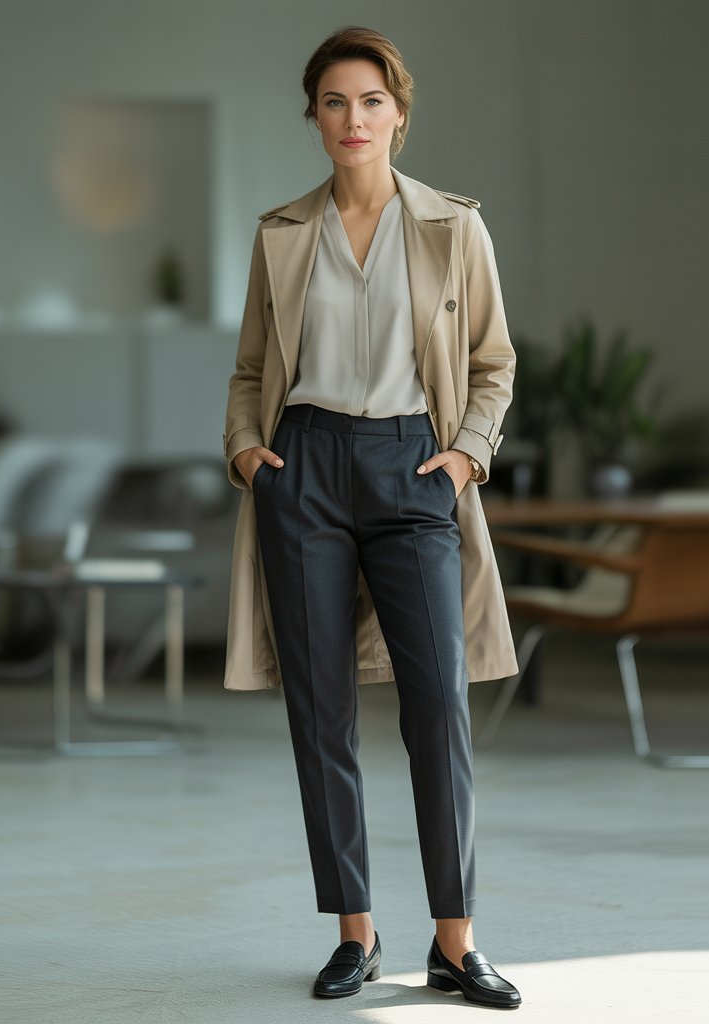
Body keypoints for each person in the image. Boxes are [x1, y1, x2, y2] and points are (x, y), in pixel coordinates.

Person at [221, 25, 521, 1009]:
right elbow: (254, 369)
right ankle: (354, 930)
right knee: (322, 712)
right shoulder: (280, 232)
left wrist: (466, 456)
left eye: (371, 101)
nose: (354, 119)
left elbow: (491, 361)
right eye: (334, 102)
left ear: (399, 112)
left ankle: (455, 937)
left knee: (438, 706)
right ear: (313, 118)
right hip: (300, 464)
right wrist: (245, 454)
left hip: (411, 465)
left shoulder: (450, 227)